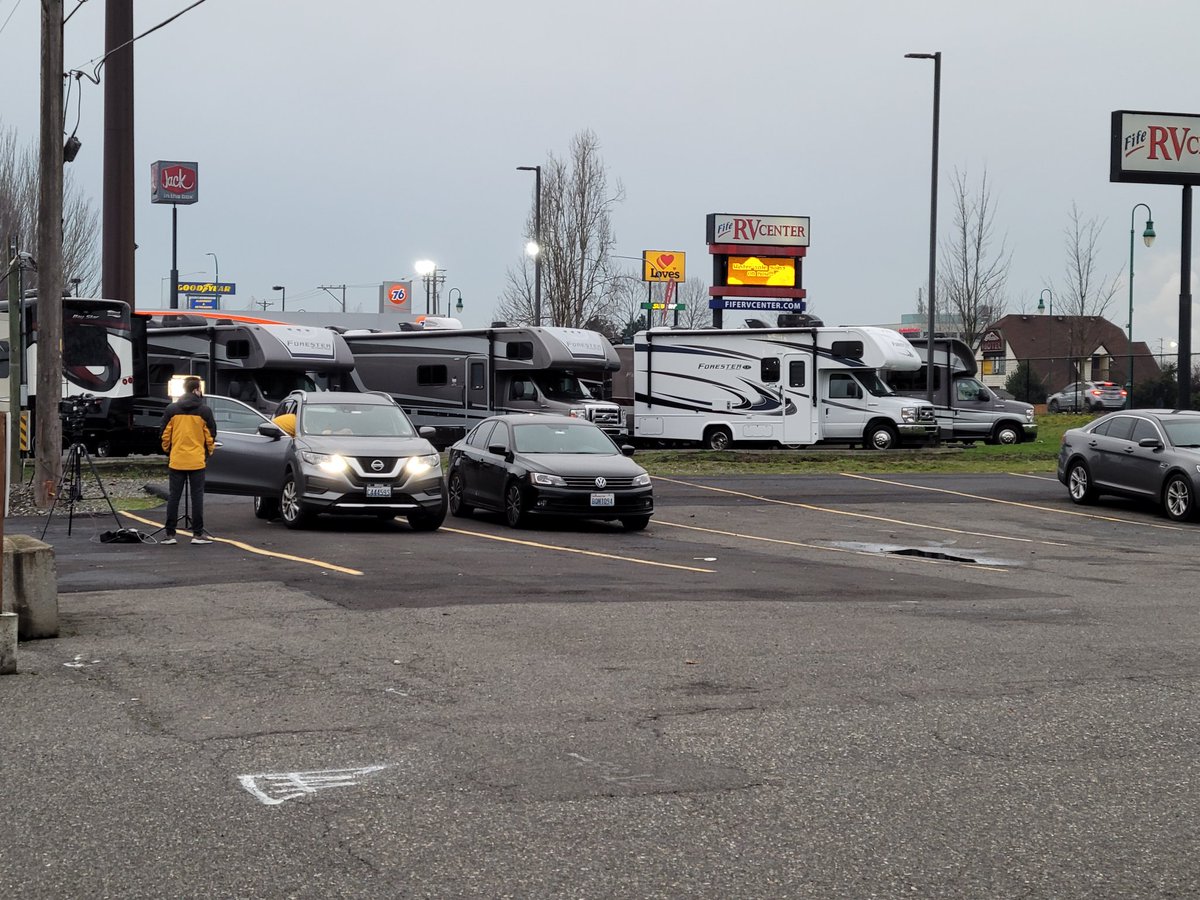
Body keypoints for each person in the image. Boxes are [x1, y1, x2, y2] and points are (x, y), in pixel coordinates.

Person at [160, 376, 217, 545]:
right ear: (196, 390)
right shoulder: (204, 411)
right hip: (196, 461)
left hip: (177, 460)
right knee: (197, 497)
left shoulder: (171, 409)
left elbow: (164, 435)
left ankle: (170, 534)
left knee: (174, 497)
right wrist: (206, 454)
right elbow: (210, 436)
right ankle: (197, 534)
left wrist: (170, 452)